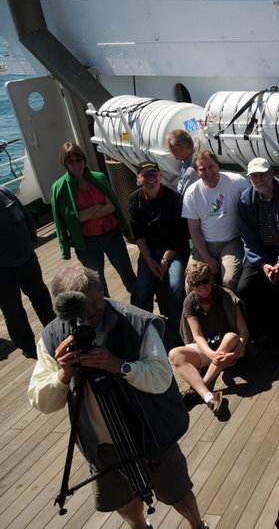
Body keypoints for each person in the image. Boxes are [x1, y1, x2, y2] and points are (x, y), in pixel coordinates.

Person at [28, 264, 208, 529]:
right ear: (63, 307)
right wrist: (63, 374)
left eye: (93, 303)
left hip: (149, 431)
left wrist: (120, 366)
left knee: (176, 490)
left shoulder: (135, 321)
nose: (88, 313)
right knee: (121, 499)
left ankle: (197, 524)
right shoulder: (52, 337)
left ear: (102, 289)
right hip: (102, 444)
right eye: (79, 309)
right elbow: (41, 401)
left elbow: (161, 377)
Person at [50, 142, 136, 295]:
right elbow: (69, 219)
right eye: (71, 162)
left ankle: (138, 306)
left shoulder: (99, 178)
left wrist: (85, 214)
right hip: (87, 243)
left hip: (111, 234)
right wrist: (98, 207)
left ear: (84, 159)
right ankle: (107, 309)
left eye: (79, 160)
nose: (76, 165)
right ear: (65, 164)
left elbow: (112, 206)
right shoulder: (59, 188)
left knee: (128, 276)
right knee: (97, 285)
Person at [169, 261, 248, 418]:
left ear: (211, 279)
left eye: (205, 281)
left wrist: (234, 354)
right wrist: (211, 354)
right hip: (209, 349)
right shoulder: (190, 301)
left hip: (230, 349)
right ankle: (208, 397)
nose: (202, 286)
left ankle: (197, 390)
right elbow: (197, 335)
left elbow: (243, 331)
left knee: (230, 336)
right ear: (191, 286)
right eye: (196, 284)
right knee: (174, 354)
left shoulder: (226, 296)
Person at [236, 157, 279, 344]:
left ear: (271, 173)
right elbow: (248, 237)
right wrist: (263, 263)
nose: (259, 180)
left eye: (263, 175)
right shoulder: (245, 200)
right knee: (245, 288)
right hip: (260, 254)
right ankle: (258, 334)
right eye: (254, 177)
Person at [128, 161, 190, 344]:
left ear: (160, 176)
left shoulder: (173, 198)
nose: (151, 179)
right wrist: (149, 260)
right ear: (138, 178)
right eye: (146, 175)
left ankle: (177, 333)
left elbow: (179, 234)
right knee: (141, 292)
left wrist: (164, 260)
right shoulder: (134, 199)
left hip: (174, 251)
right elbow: (138, 234)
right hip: (150, 252)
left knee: (176, 287)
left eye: (154, 174)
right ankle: (143, 333)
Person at [181, 150, 250, 291]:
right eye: (202, 169)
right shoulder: (192, 193)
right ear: (197, 172)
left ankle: (228, 305)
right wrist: (207, 258)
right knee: (191, 284)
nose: (208, 172)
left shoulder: (237, 182)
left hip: (231, 241)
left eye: (211, 166)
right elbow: (194, 229)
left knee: (229, 281)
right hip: (205, 243)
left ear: (217, 165)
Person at [0, 186, 54, 358]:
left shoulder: (4, 192)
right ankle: (28, 347)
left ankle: (54, 332)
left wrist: (32, 244)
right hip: (2, 272)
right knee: (13, 311)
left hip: (26, 258)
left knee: (42, 298)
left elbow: (26, 216)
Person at [166, 129, 199, 195]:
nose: (170, 152)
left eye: (170, 148)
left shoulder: (190, 173)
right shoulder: (189, 163)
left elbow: (186, 198)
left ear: (179, 149)